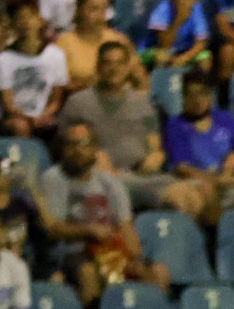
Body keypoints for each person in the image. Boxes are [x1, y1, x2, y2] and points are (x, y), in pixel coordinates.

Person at [60, 42, 206, 218]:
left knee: (200, 194)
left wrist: (155, 156)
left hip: (142, 175)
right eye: (108, 63)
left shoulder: (143, 105)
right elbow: (64, 148)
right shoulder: (78, 103)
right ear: (98, 67)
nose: (114, 69)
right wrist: (91, 157)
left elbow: (155, 146)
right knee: (182, 198)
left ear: (128, 67)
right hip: (100, 179)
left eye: (120, 63)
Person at [38, 121, 170, 304]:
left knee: (158, 272)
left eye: (84, 145)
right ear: (62, 148)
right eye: (71, 144)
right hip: (71, 254)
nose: (77, 150)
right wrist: (88, 231)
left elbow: (126, 226)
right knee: (88, 273)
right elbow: (52, 228)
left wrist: (135, 258)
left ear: (95, 149)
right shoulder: (53, 178)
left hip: (111, 251)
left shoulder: (109, 182)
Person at [164, 69, 234, 225]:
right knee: (207, 191)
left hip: (227, 179)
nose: (198, 100)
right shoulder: (176, 125)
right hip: (197, 182)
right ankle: (216, 238)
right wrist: (217, 180)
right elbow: (183, 169)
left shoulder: (224, 119)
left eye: (202, 93)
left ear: (210, 96)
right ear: (183, 97)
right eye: (191, 94)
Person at [0, 0, 68, 139]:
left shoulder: (56, 55)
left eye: (29, 16)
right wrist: (29, 120)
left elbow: (56, 99)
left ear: (39, 20)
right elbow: (8, 103)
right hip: (16, 120)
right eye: (19, 18)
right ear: (12, 24)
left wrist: (44, 115)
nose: (25, 23)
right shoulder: (4, 59)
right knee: (20, 127)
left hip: (45, 118)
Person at [56, 0, 148, 92]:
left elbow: (140, 79)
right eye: (94, 9)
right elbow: (58, 88)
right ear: (80, 9)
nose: (100, 16)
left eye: (104, 9)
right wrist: (90, 83)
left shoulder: (119, 40)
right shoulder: (64, 43)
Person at [141, 0, 212, 71]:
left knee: (205, 58)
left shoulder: (196, 10)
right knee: (162, 57)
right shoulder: (163, 9)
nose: (184, 0)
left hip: (185, 50)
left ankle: (198, 83)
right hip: (155, 49)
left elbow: (201, 43)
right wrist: (179, 20)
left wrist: (184, 58)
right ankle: (159, 82)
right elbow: (165, 44)